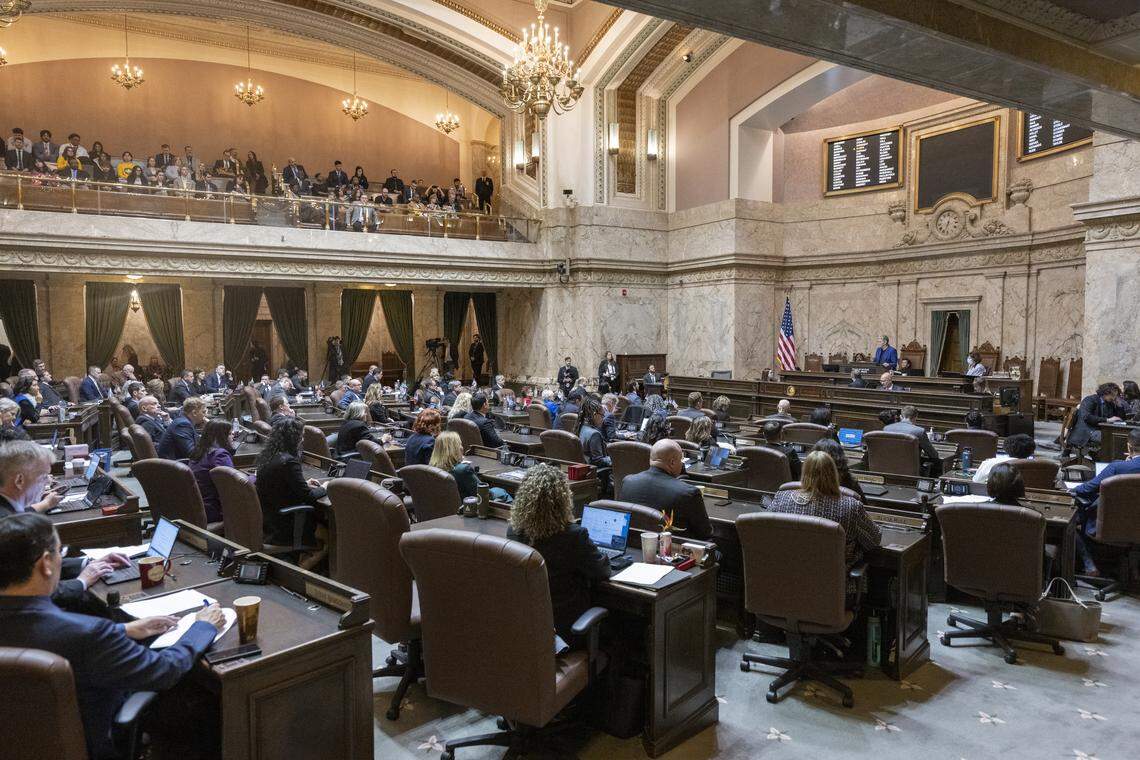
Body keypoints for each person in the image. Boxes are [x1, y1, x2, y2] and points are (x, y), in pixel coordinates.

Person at [0, 512, 226, 760]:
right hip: (93, 741)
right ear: (45, 563)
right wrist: (203, 627)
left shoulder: (83, 634)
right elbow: (163, 671)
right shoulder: (89, 634)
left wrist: (124, 629)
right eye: (58, 551)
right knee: (202, 700)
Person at [506, 464, 610, 639]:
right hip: (568, 629)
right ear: (563, 500)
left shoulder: (514, 530)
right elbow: (602, 571)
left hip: (530, 627)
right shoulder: (573, 535)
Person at [769, 451, 881, 571]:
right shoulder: (850, 506)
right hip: (833, 582)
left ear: (804, 472)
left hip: (786, 576)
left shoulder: (781, 498)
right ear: (834, 474)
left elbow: (767, 534)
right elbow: (874, 540)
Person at [256, 418, 327, 546]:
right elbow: (309, 497)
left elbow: (280, 484)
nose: (303, 439)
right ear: (294, 438)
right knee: (329, 537)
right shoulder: (289, 462)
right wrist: (325, 488)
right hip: (288, 522)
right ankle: (297, 565)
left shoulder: (268, 456)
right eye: (301, 436)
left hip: (270, 519)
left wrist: (303, 483)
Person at [620, 439, 712, 539]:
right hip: (672, 551)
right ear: (672, 462)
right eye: (681, 461)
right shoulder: (688, 493)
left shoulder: (628, 482)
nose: (682, 464)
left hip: (634, 544)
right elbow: (705, 534)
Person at [187, 419, 236, 523]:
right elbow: (233, 485)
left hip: (197, 506)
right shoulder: (219, 455)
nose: (233, 437)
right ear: (222, 437)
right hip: (214, 509)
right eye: (230, 434)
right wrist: (253, 477)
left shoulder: (199, 451)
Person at [883, 404, 943, 477]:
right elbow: (934, 455)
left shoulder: (887, 428)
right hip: (911, 472)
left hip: (888, 469)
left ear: (901, 417)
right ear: (916, 417)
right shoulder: (919, 431)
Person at [1069, 383, 1124, 448]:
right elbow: (1087, 417)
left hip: (1101, 429)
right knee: (1111, 438)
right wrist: (1107, 420)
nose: (1114, 397)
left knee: (1120, 437)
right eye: (1112, 395)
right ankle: (1104, 457)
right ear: (1105, 392)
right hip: (1087, 430)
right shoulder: (1090, 400)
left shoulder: (1110, 403)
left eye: (1115, 395)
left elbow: (1119, 418)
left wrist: (1119, 406)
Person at [429, 431, 479, 500]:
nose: (462, 448)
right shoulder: (463, 470)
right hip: (467, 508)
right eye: (460, 444)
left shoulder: (431, 468)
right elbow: (484, 495)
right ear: (454, 449)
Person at [576, 397, 611, 471]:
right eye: (602, 415)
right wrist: (616, 459)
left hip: (581, 468)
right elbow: (598, 461)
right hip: (594, 473)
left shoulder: (579, 427)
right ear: (594, 414)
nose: (603, 419)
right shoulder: (594, 434)